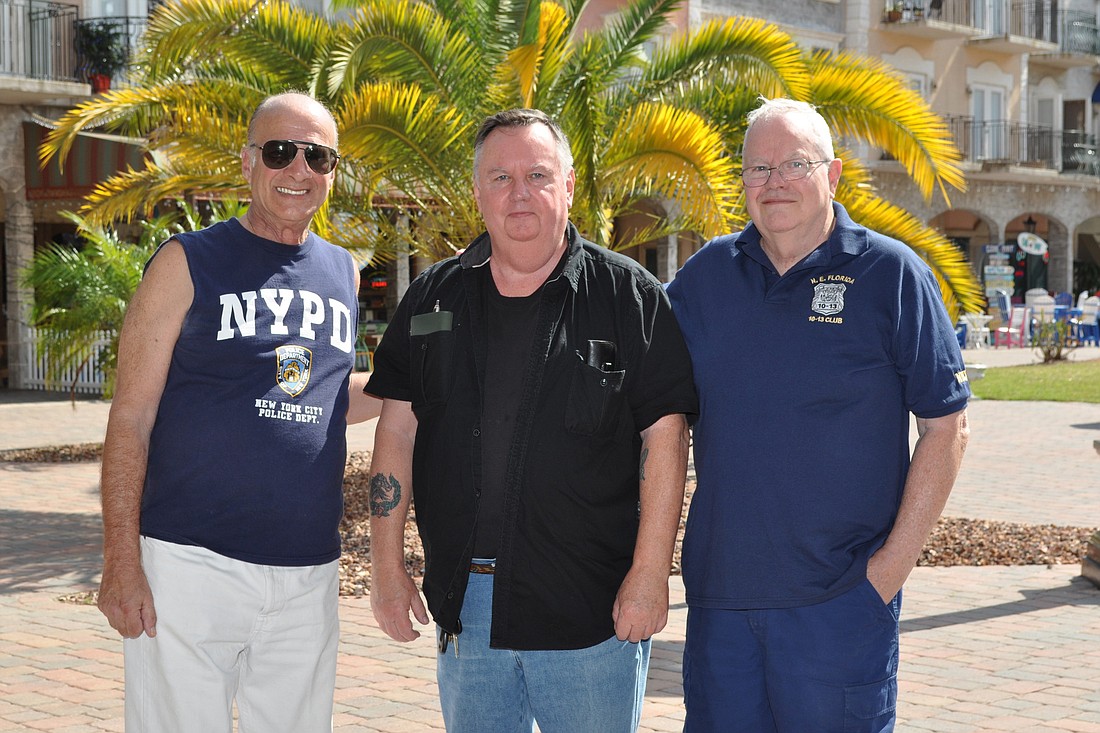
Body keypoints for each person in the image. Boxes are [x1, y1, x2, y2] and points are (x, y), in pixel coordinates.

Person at [366, 108, 698, 732]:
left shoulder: (628, 297)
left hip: (590, 611)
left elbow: (666, 438)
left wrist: (651, 574)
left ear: (568, 186)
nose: (519, 193)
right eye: (500, 177)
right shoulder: (433, 298)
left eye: (538, 175)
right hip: (467, 605)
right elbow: (397, 431)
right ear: (477, 191)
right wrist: (387, 566)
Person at [666, 97, 971, 733]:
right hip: (722, 603)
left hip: (840, 606)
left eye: (794, 165)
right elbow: (651, 417)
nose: (774, 183)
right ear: (742, 181)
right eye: (758, 168)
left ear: (832, 175)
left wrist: (886, 576)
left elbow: (946, 429)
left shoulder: (891, 276)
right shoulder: (704, 280)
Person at [96, 91, 381, 732]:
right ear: (248, 161)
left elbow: (325, 397)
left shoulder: (342, 272)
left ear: (334, 171)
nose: (298, 169)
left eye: (318, 156)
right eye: (281, 151)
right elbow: (131, 416)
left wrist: (427, 382)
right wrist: (120, 560)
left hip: (308, 571)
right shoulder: (185, 262)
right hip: (188, 565)